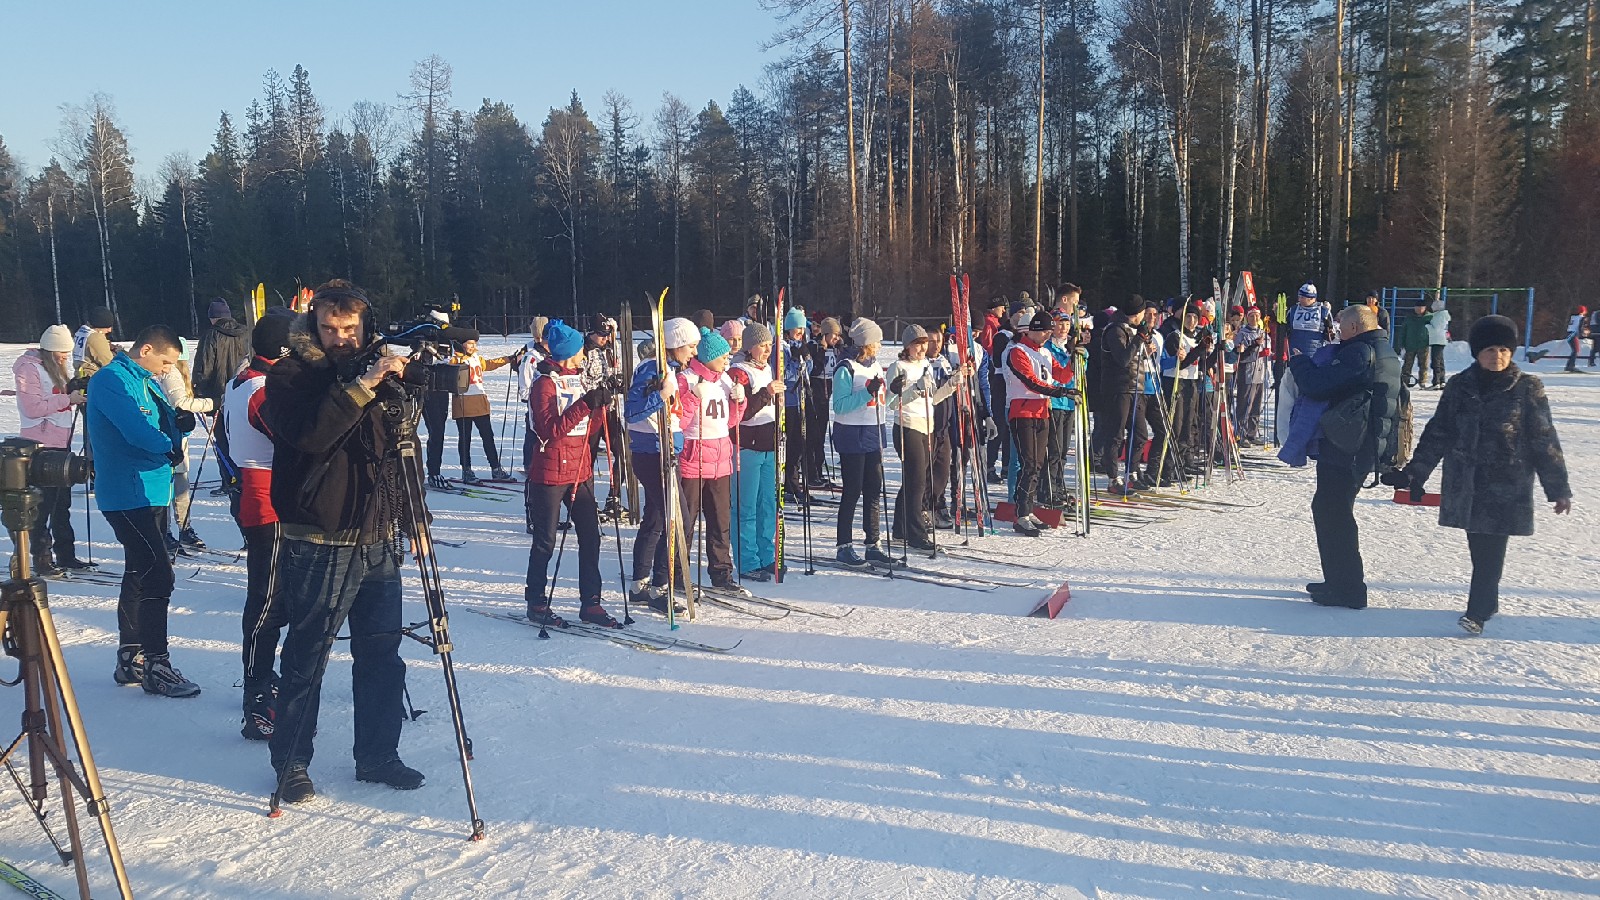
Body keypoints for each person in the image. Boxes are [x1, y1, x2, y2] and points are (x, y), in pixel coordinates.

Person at [262, 279, 423, 804]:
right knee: (309, 653)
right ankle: (291, 760)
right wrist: (362, 385)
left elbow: (401, 445)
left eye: (350, 328)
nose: (340, 338)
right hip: (319, 535)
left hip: (379, 532)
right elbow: (311, 435)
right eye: (329, 329)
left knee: (382, 653)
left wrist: (415, 517)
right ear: (314, 327)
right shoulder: (289, 376)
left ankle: (378, 754)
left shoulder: (378, 369)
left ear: (364, 326)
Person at [1397, 315, 1571, 634]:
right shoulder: (1459, 386)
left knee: (1491, 549)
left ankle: (1477, 610)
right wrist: (1415, 473)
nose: (1498, 356)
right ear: (1477, 352)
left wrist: (1558, 487)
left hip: (1507, 485)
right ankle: (1487, 601)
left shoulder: (1528, 387)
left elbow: (1544, 438)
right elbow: (1439, 433)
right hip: (1467, 483)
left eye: (1504, 349)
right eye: (1490, 349)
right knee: (1479, 548)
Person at [87, 325, 199, 698]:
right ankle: (157, 664)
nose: (167, 369)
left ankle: (131, 657)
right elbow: (137, 431)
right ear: (146, 349)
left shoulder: (144, 379)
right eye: (165, 361)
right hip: (126, 492)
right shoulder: (112, 380)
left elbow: (163, 421)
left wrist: (178, 424)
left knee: (139, 570)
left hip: (152, 488)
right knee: (157, 574)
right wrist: (169, 446)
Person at [1287, 304, 1401, 610]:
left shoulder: (1360, 352)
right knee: (1332, 509)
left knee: (1333, 512)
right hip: (1360, 443)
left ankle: (1348, 589)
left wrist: (1299, 364)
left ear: (1354, 327)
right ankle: (1338, 582)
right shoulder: (1383, 349)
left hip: (1348, 444)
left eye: (1341, 326)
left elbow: (1318, 385)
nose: (1337, 331)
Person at [220, 314, 294, 740]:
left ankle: (263, 680)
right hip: (266, 501)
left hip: (261, 494)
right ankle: (257, 693)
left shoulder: (244, 377)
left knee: (278, 601)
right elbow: (297, 438)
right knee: (266, 604)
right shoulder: (260, 388)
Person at [523, 319, 621, 628]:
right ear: (568, 353)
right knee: (545, 541)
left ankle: (591, 603)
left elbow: (585, 429)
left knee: (591, 537)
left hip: (580, 469)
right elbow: (549, 430)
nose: (584, 356)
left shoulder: (576, 380)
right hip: (549, 472)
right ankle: (536, 601)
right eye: (580, 351)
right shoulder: (544, 384)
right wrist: (584, 405)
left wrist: (600, 408)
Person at [623, 317, 696, 613]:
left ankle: (640, 583)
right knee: (679, 520)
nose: (693, 353)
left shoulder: (671, 369)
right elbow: (632, 409)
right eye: (690, 347)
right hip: (653, 453)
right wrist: (660, 395)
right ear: (676, 344)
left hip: (666, 450)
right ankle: (660, 586)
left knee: (655, 519)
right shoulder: (652, 368)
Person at [676, 326, 748, 593]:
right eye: (723, 355)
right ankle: (677, 572)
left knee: (720, 521)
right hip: (693, 459)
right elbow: (678, 422)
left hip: (720, 460)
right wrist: (694, 398)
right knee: (687, 521)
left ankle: (721, 572)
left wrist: (739, 403)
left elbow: (729, 421)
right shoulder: (686, 379)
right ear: (708, 356)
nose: (727, 359)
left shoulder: (725, 380)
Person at [12, 325, 89, 576]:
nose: (66, 357)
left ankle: (66, 555)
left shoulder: (55, 367)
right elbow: (32, 406)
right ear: (50, 350)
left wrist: (74, 389)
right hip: (40, 445)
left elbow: (56, 394)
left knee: (61, 503)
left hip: (60, 442)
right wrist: (68, 399)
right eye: (62, 353)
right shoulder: (28, 368)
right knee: (42, 506)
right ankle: (41, 558)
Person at [887, 325, 962, 552]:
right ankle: (916, 534)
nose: (921, 348)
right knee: (918, 481)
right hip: (907, 426)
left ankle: (900, 529)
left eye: (924, 343)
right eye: (917, 344)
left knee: (913, 479)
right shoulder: (898, 367)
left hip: (926, 425)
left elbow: (933, 398)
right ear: (907, 346)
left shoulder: (926, 365)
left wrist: (952, 385)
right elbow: (891, 403)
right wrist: (914, 390)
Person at [1004, 311, 1077, 534]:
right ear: (1033, 330)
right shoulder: (1017, 352)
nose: (1048, 335)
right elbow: (1031, 382)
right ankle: (1021, 514)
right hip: (1023, 411)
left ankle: (1027, 508)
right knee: (1029, 464)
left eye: (1049, 331)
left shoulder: (1044, 352)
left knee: (1037, 464)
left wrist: (1075, 359)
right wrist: (1059, 391)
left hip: (1042, 412)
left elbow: (1062, 375)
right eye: (1044, 331)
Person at [832, 319, 898, 567]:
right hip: (851, 434)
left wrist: (893, 392)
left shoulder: (875, 366)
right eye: (877, 341)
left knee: (873, 489)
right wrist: (866, 393)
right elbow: (839, 406)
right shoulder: (846, 368)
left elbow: (883, 402)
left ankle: (873, 543)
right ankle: (844, 546)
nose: (880, 345)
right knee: (852, 491)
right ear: (865, 343)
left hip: (873, 432)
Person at [728, 322, 785, 579]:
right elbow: (741, 413)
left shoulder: (768, 369)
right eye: (762, 345)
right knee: (746, 507)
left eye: (769, 345)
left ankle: (767, 555)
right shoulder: (738, 372)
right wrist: (766, 393)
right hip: (747, 446)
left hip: (768, 445)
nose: (767, 350)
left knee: (767, 505)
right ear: (750, 346)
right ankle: (748, 560)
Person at [158, 339, 216, 553]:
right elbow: (181, 403)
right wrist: (212, 403)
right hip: (172, 435)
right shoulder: (172, 373)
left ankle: (179, 529)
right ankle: (176, 530)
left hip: (176, 433)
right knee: (176, 482)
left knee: (178, 482)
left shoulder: (170, 373)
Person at [1093, 299, 1154, 493]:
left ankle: (1132, 472)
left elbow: (1136, 357)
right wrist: (1138, 341)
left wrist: (1145, 349)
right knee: (1116, 434)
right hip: (1117, 389)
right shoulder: (1115, 330)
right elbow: (1123, 359)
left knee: (1140, 434)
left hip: (1136, 387)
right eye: (1144, 313)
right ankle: (1113, 478)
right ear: (1137, 313)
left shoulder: (1131, 329)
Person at [450, 330, 513, 484]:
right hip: (463, 404)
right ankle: (467, 469)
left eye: (475, 344)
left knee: (488, 437)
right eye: (470, 344)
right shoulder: (454, 360)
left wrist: (508, 359)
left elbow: (489, 364)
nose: (473, 347)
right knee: (465, 439)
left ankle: (496, 468)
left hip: (480, 402)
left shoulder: (477, 358)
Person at [581, 317, 625, 514]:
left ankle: (613, 497)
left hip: (610, 409)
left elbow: (616, 370)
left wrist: (618, 382)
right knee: (587, 459)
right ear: (590, 332)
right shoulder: (582, 352)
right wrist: (603, 388)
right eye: (601, 335)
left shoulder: (608, 349)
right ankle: (588, 503)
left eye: (607, 335)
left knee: (624, 453)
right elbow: (581, 383)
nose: (604, 339)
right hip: (591, 412)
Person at [804, 317, 844, 488]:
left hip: (825, 398)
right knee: (813, 438)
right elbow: (814, 370)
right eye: (833, 335)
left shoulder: (835, 349)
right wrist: (821, 350)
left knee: (821, 438)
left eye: (837, 336)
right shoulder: (814, 346)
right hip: (814, 396)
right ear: (825, 334)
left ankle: (819, 471)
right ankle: (811, 473)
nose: (836, 339)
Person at [192, 298, 253, 404]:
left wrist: (199, 389)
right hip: (243, 389)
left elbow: (204, 365)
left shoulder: (210, 335)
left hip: (218, 393)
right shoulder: (246, 333)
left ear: (213, 318)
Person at [1233, 307, 1270, 444]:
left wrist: (1267, 353)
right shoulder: (1243, 333)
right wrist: (1255, 346)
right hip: (1247, 372)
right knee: (1245, 403)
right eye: (1251, 316)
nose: (1254, 319)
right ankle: (1240, 432)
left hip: (1260, 372)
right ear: (1247, 318)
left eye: (1256, 316)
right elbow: (1240, 355)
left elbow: (1266, 350)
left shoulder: (1263, 333)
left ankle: (1252, 432)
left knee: (1256, 404)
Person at [1399, 300, 1433, 387]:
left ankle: (1422, 381)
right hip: (1410, 344)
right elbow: (1403, 331)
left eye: (1421, 307)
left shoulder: (1430, 317)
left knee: (1424, 364)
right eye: (1417, 307)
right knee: (1407, 364)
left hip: (1424, 344)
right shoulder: (1409, 318)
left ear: (1425, 308)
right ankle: (1404, 380)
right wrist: (1402, 344)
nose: (1419, 309)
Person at [73, 307, 116, 376]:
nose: (109, 330)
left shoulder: (82, 332)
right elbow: (109, 362)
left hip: (80, 375)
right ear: (99, 325)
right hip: (94, 378)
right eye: (107, 327)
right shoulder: (95, 338)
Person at [1426, 298, 1451, 387]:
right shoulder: (1443, 316)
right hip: (1441, 340)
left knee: (1436, 361)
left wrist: (1427, 326)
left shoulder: (1439, 316)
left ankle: (1436, 381)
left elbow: (1436, 328)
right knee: (1440, 360)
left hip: (1437, 340)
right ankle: (1442, 380)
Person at [1563, 306, 1586, 373]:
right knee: (1576, 350)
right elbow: (1580, 327)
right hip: (1573, 334)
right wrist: (1582, 335)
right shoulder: (1581, 318)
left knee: (1574, 350)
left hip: (1569, 333)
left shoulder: (1573, 317)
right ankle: (1571, 366)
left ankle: (1569, 365)